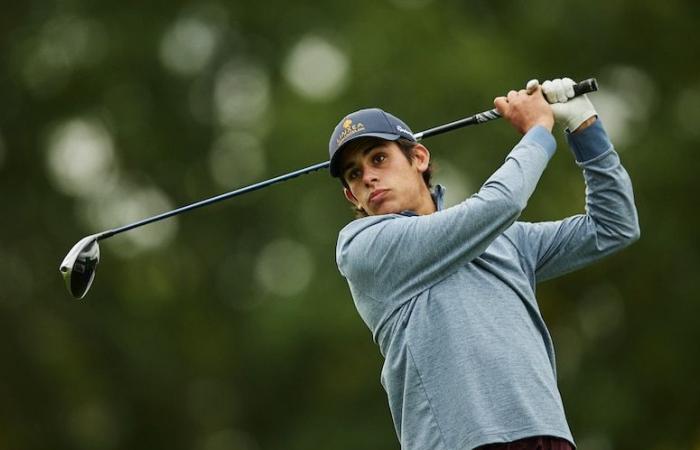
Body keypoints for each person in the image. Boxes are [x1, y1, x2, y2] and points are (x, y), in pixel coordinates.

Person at [327, 77, 640, 450]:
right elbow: (499, 204)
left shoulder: (504, 238)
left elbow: (613, 225)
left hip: (547, 436)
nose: (369, 178)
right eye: (355, 174)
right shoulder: (363, 247)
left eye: (378, 158)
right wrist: (538, 130)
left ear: (419, 158)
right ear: (352, 196)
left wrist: (582, 123)